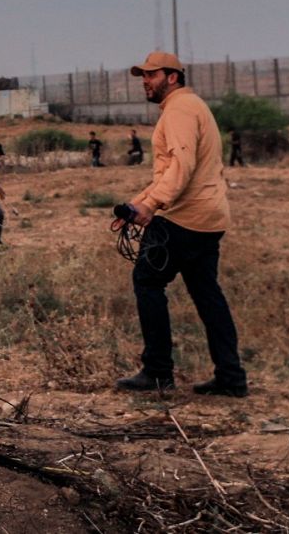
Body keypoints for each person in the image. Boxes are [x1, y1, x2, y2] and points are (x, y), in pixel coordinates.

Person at [113, 52, 247, 398]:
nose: (145, 81)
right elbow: (172, 170)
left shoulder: (179, 110)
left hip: (182, 216)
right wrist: (138, 202)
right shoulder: (191, 106)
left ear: (172, 77)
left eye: (151, 75)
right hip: (208, 216)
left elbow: (181, 166)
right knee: (207, 294)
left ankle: (157, 371)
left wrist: (152, 204)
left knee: (147, 281)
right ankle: (231, 377)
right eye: (143, 76)